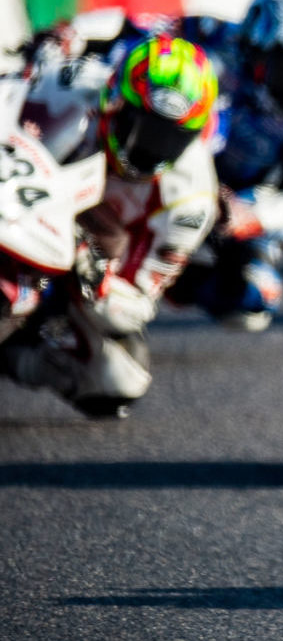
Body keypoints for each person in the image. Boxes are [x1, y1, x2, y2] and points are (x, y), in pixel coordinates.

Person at [0, 35, 221, 417]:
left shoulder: (191, 201)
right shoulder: (77, 80)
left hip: (80, 269)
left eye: (172, 139)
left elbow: (137, 304)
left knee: (120, 377)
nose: (151, 148)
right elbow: (9, 94)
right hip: (19, 196)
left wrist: (92, 270)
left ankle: (16, 358)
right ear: (114, 100)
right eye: (141, 127)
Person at [157, 0, 283, 331]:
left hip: (237, 201)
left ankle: (165, 276)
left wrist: (249, 214)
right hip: (167, 162)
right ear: (255, 49)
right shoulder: (214, 37)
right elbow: (135, 29)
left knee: (254, 302)